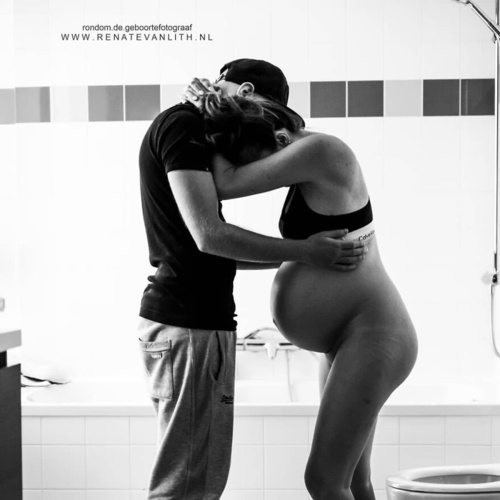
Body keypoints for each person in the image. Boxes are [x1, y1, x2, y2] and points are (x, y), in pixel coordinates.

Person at [137, 58, 367, 500]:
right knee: (186, 485)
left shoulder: (193, 132)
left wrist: (305, 259)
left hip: (191, 323)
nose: (257, 125)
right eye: (263, 112)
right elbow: (209, 236)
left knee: (197, 479)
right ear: (244, 91)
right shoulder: (183, 125)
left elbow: (212, 250)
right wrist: (304, 251)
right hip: (189, 323)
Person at [190, 92, 419, 500]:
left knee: (324, 481)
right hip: (347, 341)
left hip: (373, 336)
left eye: (255, 161)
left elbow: (224, 183)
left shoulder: (322, 150)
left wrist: (201, 115)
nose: (262, 173)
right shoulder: (304, 162)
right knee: (352, 483)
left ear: (280, 140)